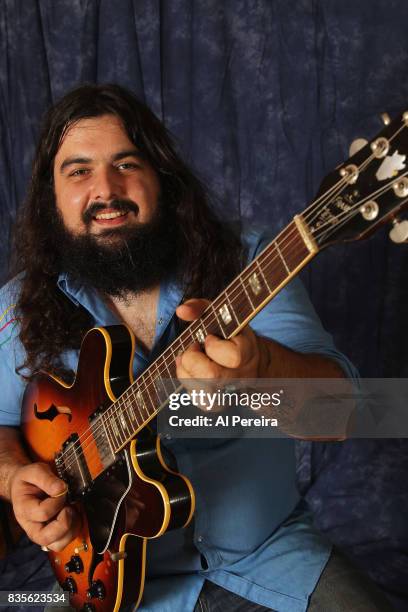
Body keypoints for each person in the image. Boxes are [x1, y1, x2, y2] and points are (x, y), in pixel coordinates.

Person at [0, 84, 392, 611]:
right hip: (100, 577)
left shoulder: (248, 264)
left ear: (161, 177)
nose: (106, 189)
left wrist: (260, 372)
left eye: (126, 162)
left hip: (269, 559)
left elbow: (347, 412)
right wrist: (14, 479)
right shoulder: (19, 305)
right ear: (51, 197)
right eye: (78, 171)